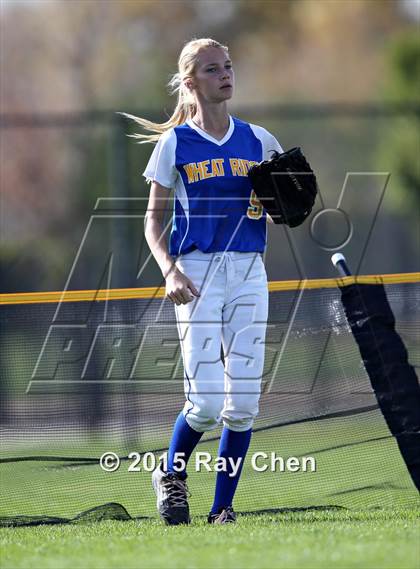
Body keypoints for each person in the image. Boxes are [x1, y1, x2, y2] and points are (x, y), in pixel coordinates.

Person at [124, 37, 283, 525]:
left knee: (244, 405)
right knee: (208, 402)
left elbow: (283, 211)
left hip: (249, 271)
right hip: (196, 273)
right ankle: (169, 474)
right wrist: (169, 269)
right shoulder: (176, 143)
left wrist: (290, 200)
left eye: (228, 66)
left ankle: (222, 509)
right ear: (191, 83)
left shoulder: (259, 140)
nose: (226, 75)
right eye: (213, 70)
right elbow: (153, 223)